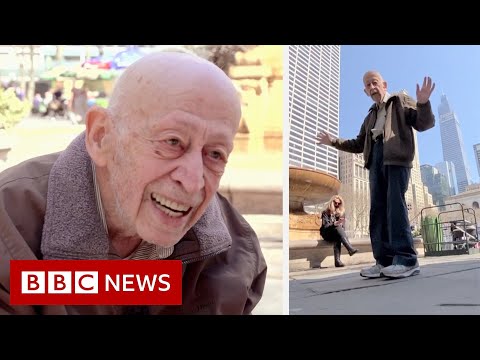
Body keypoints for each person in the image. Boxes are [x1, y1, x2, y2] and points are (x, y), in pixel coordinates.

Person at [0, 51, 267, 315]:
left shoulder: (236, 254)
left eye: (215, 154)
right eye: (172, 142)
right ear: (101, 137)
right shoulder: (9, 229)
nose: (192, 181)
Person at [316, 71, 436, 279]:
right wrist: (333, 141)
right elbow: (358, 144)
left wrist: (423, 103)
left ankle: (407, 260)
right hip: (375, 161)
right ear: (365, 91)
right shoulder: (370, 116)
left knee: (395, 208)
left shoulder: (399, 101)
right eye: (368, 85)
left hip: (396, 159)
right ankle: (384, 261)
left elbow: (423, 123)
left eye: (375, 83)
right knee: (377, 212)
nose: (372, 87)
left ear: (384, 84)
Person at [320, 195, 358, 267]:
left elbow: (342, 227)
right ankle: (350, 249)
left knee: (338, 236)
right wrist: (334, 224)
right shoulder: (325, 213)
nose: (337, 205)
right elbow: (325, 226)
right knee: (337, 227)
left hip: (336, 233)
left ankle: (337, 261)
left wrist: (339, 224)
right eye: (335, 203)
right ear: (331, 202)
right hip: (326, 233)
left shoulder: (340, 213)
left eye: (339, 203)